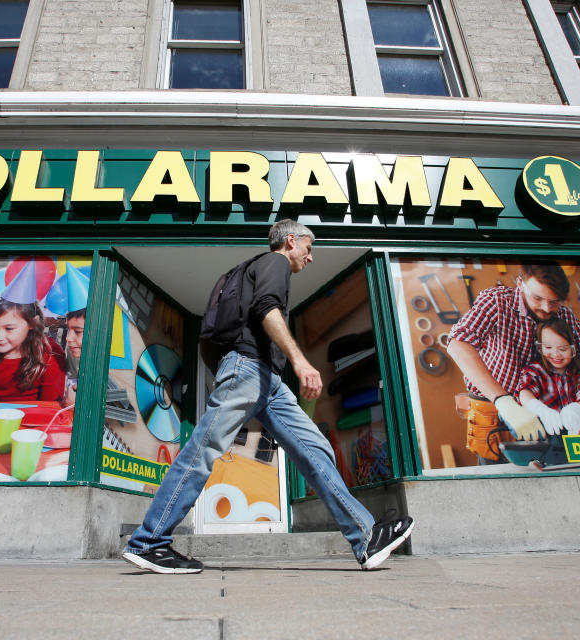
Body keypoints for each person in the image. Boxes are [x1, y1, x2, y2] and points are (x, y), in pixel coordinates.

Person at [122, 219, 414, 574]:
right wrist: (301, 361)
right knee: (203, 451)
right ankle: (149, 542)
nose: (310, 258)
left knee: (314, 449)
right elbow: (267, 310)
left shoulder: (255, 269)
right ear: (291, 241)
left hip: (266, 380)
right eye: (309, 249)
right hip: (248, 370)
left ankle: (365, 537)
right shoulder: (275, 263)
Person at [446, 262, 580, 465]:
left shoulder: (565, 317)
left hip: (546, 423)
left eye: (554, 301)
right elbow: (458, 344)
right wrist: (504, 402)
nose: (546, 308)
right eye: (537, 298)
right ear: (521, 283)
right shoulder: (497, 301)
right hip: (495, 416)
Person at [516, 317, 580, 436]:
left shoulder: (579, 372)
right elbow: (524, 392)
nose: (556, 354)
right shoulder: (535, 371)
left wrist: (578, 410)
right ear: (540, 347)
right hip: (553, 445)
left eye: (562, 349)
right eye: (548, 348)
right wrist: (538, 409)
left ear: (573, 348)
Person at [0, 297, 67, 402]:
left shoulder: (51, 353)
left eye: (9, 329)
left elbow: (51, 406)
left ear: (32, 323)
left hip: (36, 416)